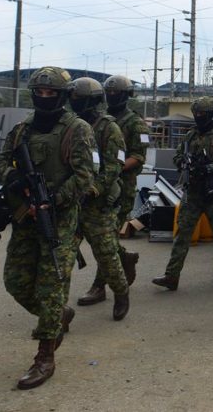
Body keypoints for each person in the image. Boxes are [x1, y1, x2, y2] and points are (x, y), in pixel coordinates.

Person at [0, 66, 95, 390]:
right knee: (16, 282)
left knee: (51, 287)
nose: (45, 98)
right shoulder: (22, 130)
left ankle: (45, 355)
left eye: (52, 94)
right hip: (25, 217)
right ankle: (58, 315)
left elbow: (84, 176)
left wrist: (53, 199)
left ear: (63, 97)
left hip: (59, 221)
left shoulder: (77, 129)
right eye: (40, 93)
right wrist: (15, 179)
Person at [152, 97, 213, 288]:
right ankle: (171, 275)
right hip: (194, 192)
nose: (198, 117)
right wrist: (183, 163)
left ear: (211, 115)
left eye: (202, 114)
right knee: (182, 233)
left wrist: (207, 168)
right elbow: (178, 155)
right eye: (196, 114)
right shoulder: (190, 135)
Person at [78, 75, 145, 306]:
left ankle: (100, 287)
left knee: (105, 239)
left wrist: (109, 169)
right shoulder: (92, 119)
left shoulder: (134, 122)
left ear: (127, 96)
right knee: (104, 239)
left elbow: (138, 156)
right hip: (88, 187)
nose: (113, 97)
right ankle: (124, 258)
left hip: (120, 188)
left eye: (118, 93)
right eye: (110, 93)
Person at [66, 78, 129, 321]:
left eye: (78, 99)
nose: (73, 103)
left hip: (98, 203)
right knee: (61, 257)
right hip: (70, 201)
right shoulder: (69, 125)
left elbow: (115, 165)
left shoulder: (108, 127)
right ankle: (57, 311)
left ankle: (121, 292)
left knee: (106, 254)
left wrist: (92, 189)